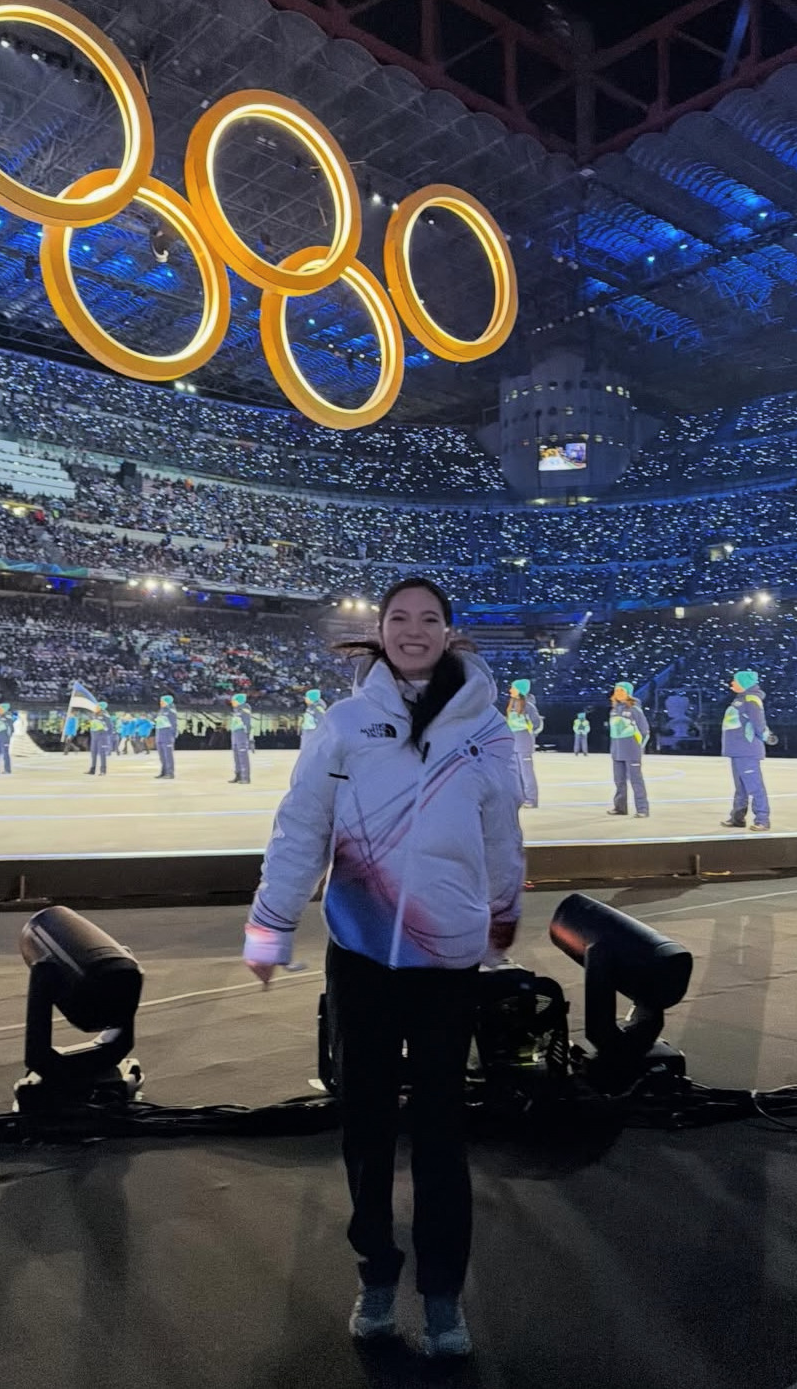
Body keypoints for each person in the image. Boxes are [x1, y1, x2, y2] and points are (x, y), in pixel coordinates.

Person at [242, 576, 525, 1358]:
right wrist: (270, 922)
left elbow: (501, 834)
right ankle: (375, 1272)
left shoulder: (486, 731)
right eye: (398, 617)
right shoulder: (344, 724)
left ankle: (441, 1295)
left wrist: (502, 913)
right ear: (380, 629)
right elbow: (301, 825)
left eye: (428, 618)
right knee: (365, 1126)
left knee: (440, 1131)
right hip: (361, 954)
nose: (412, 629)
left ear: (449, 632)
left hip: (445, 961)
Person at [719, 669, 775, 832]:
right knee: (741, 788)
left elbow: (759, 723)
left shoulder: (751, 699)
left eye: (735, 680)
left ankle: (762, 819)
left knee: (754, 786)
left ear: (744, 683)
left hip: (747, 749)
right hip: (737, 750)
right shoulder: (740, 699)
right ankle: (737, 818)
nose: (732, 683)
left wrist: (767, 736)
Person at [606, 681, 649, 818]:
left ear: (628, 693)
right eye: (616, 691)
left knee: (636, 780)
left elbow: (645, 731)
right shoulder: (614, 710)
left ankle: (642, 809)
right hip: (617, 751)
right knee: (619, 781)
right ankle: (620, 808)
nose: (618, 693)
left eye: (622, 691)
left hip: (631, 751)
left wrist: (638, 747)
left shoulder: (634, 709)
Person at [505, 678, 541, 807]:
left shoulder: (528, 706)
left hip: (524, 740)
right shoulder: (512, 704)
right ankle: (521, 797)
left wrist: (529, 733)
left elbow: (537, 723)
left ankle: (531, 798)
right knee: (516, 772)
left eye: (513, 688)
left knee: (526, 772)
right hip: (513, 741)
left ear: (519, 690)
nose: (510, 690)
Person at [229, 692, 252, 784]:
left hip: (241, 732)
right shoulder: (236, 710)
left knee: (242, 755)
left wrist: (248, 736)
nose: (232, 702)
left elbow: (247, 722)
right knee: (236, 754)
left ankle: (245, 777)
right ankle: (238, 775)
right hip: (235, 732)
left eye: (234, 700)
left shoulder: (245, 708)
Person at [87, 700, 115, 776]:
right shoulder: (93, 715)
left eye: (97, 706)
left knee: (102, 753)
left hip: (102, 736)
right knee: (93, 753)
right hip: (94, 736)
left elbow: (110, 726)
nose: (95, 707)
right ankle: (92, 770)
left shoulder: (105, 715)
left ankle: (103, 770)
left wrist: (106, 735)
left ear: (101, 707)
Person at [155, 694, 178, 780]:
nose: (160, 702)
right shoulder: (161, 711)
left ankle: (170, 773)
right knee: (162, 756)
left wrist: (172, 736)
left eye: (162, 701)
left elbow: (173, 725)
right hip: (160, 736)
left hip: (167, 736)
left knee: (168, 756)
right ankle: (164, 772)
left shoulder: (171, 712)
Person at [0, 702, 15, 775]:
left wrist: (8, 737)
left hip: (4, 737)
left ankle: (7, 770)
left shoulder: (8, 717)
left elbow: (11, 728)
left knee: (5, 754)